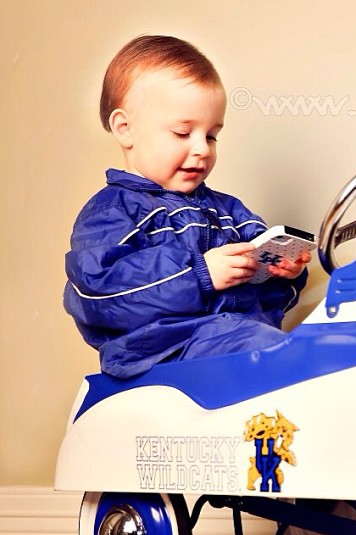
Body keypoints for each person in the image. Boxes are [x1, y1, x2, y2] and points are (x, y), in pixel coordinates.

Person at [64, 35, 310, 379]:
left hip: (239, 336)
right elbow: (99, 293)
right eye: (183, 133)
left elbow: (265, 295)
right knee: (269, 350)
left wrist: (284, 272)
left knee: (308, 340)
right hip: (164, 353)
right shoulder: (110, 213)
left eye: (211, 135)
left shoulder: (228, 211)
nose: (203, 149)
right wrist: (198, 274)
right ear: (125, 129)